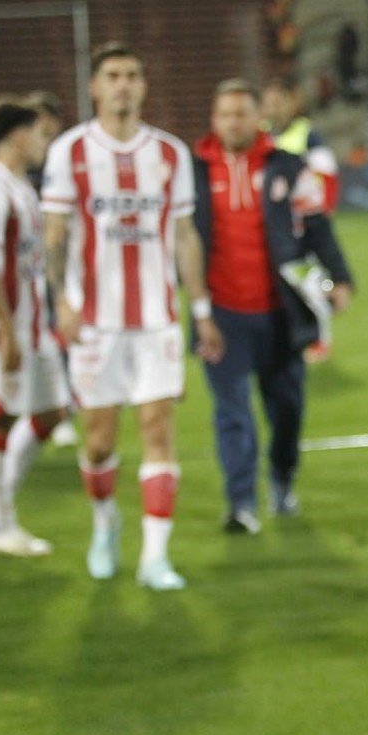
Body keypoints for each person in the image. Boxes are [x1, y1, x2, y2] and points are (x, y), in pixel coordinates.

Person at [42, 42, 225, 590]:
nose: (123, 85)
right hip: (95, 322)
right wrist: (61, 299)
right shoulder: (69, 152)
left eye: (133, 76)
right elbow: (52, 236)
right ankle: (105, 524)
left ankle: (155, 556)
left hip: (156, 321)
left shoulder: (169, 155)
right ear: (96, 87)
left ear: (144, 86)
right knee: (98, 441)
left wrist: (202, 309)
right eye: (113, 76)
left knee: (156, 428)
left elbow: (186, 236)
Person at [194, 80, 355, 534]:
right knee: (233, 413)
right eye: (225, 114)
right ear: (214, 120)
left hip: (281, 312)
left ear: (256, 118)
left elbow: (318, 224)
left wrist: (340, 277)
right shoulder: (195, 171)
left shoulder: (287, 166)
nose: (233, 122)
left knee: (287, 410)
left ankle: (282, 479)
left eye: (241, 114)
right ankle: (241, 501)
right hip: (221, 315)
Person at [0, 97, 68, 557]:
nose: (45, 143)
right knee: (1, 418)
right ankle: (0, 527)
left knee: (50, 412)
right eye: (41, 134)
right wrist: (6, 331)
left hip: (34, 324)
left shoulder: (20, 185)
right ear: (19, 135)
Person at [262, 76, 341, 361]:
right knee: (291, 282)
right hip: (277, 227)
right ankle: (303, 334)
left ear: (291, 103)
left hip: (304, 224)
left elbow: (327, 175)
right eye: (268, 103)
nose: (272, 109)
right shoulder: (263, 137)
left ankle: (320, 337)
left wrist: (324, 211)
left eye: (278, 102)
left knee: (309, 281)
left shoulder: (306, 134)